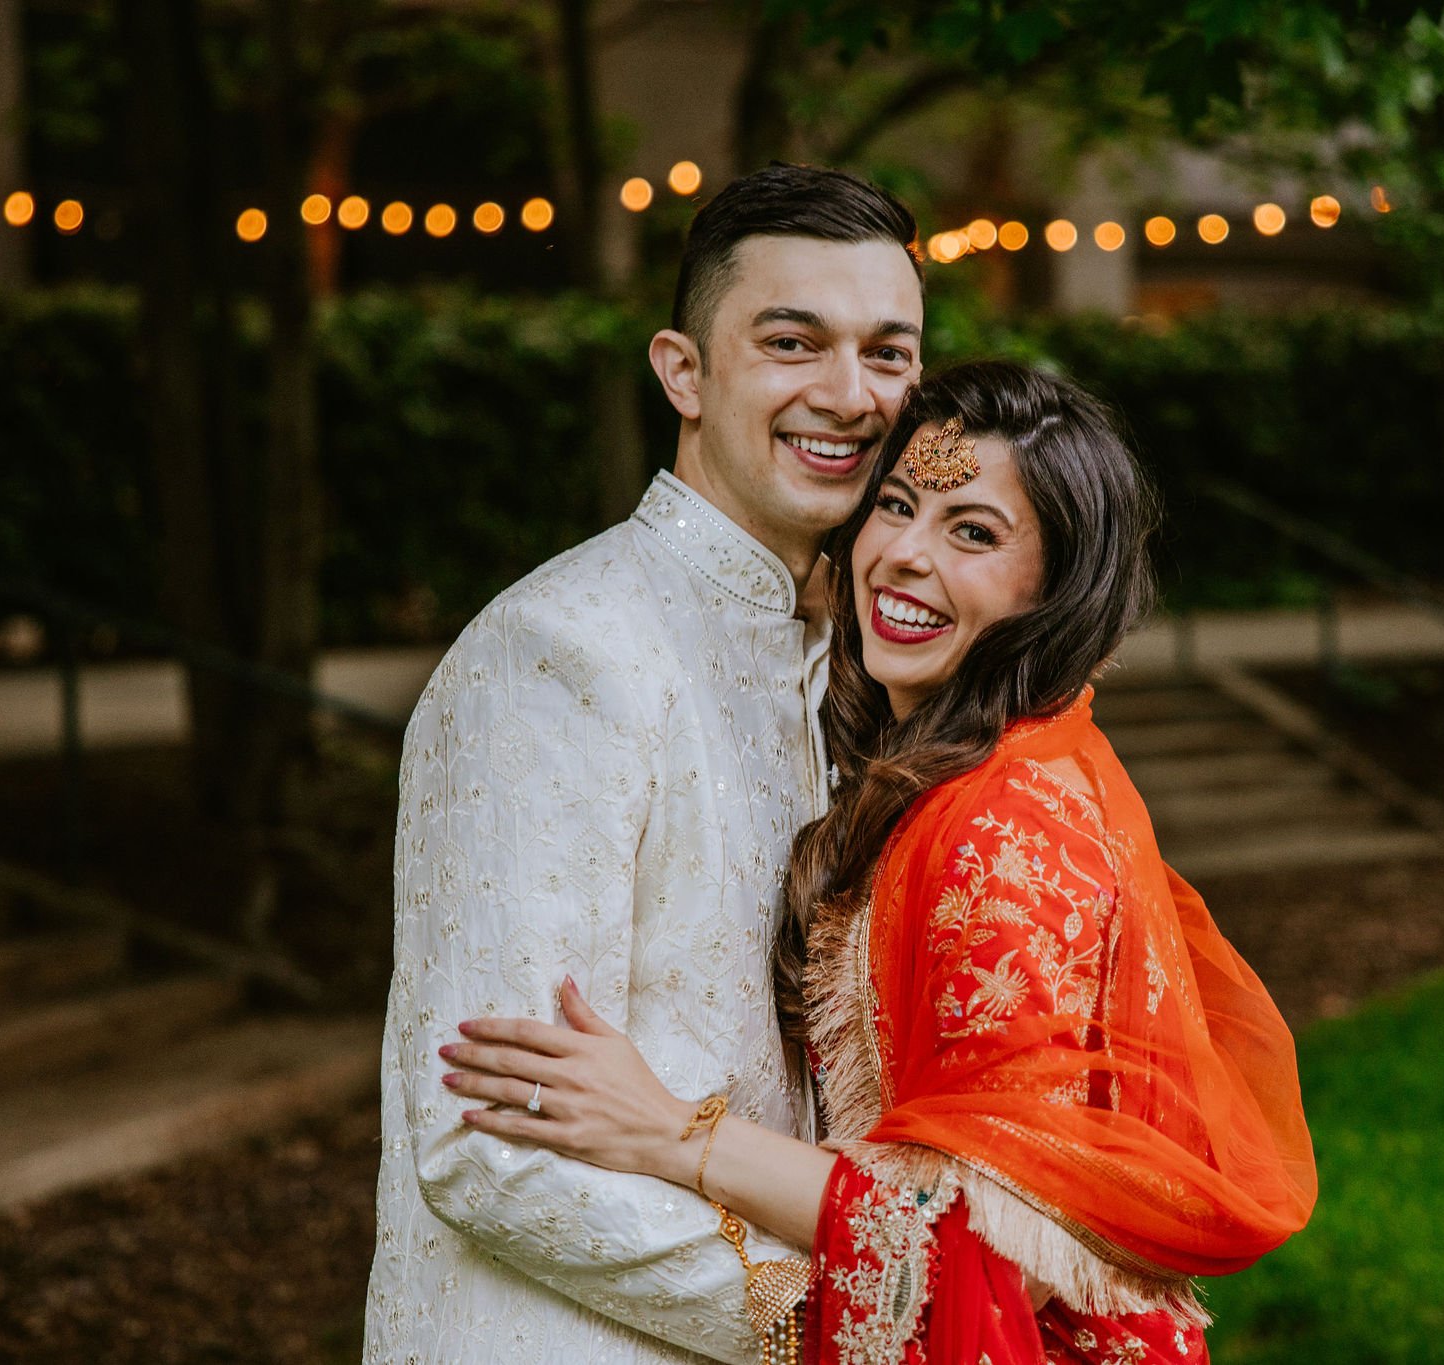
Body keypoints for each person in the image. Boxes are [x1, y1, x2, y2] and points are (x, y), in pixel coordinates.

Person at [438, 362, 1319, 1363]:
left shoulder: (1000, 831)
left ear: (1055, 590)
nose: (902, 554)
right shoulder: (988, 766)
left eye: (972, 533)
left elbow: (979, 1238)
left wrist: (674, 1135)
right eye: (893, 505)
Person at [363, 164, 926, 1365]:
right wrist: (846, 1320)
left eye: (888, 353)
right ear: (683, 370)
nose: (849, 393)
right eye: (792, 341)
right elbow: (488, 1144)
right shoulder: (561, 650)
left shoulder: (852, 657)